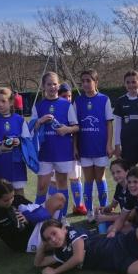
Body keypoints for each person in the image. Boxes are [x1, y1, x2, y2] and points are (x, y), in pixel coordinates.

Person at [31, 72, 79, 216]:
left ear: (58, 85)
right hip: (44, 152)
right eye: (48, 84)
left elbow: (76, 127)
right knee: (42, 186)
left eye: (54, 84)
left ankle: (62, 217)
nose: (52, 87)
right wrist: (40, 121)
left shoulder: (67, 105)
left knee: (62, 184)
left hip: (63, 151)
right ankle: (37, 218)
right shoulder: (38, 106)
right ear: (43, 86)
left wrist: (66, 129)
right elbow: (31, 129)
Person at [74, 69, 113, 215]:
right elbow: (75, 127)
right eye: (83, 81)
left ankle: (103, 210)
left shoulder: (104, 99)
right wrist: (75, 147)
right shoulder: (77, 101)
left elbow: (109, 124)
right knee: (88, 180)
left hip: (100, 147)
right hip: (84, 148)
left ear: (96, 82)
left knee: (100, 178)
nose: (85, 83)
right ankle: (90, 211)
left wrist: (109, 144)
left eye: (88, 80)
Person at [0, 87, 31, 196]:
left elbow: (27, 140)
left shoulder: (20, 119)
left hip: (17, 163)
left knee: (19, 193)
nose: (0, 104)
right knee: (2, 194)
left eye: (3, 101)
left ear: (10, 102)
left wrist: (18, 141)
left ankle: (19, 213)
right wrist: (0, 148)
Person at [113, 70, 138, 167]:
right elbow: (117, 126)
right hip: (127, 144)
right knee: (129, 174)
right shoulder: (120, 101)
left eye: (134, 82)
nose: (131, 85)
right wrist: (117, 145)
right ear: (124, 84)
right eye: (128, 82)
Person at [57, 83, 85, 215]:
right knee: (56, 181)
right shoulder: (54, 109)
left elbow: (76, 131)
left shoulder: (73, 109)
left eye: (69, 96)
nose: (67, 98)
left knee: (75, 177)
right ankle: (58, 210)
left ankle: (78, 206)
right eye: (64, 96)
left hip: (72, 149)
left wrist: (75, 148)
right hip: (57, 152)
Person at [89, 159, 134, 231]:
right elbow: (112, 207)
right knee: (102, 217)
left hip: (134, 222)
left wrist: (106, 218)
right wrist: (102, 209)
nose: (115, 175)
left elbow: (131, 216)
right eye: (113, 173)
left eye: (118, 172)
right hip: (124, 218)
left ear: (127, 172)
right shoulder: (119, 186)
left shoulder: (133, 188)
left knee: (111, 228)